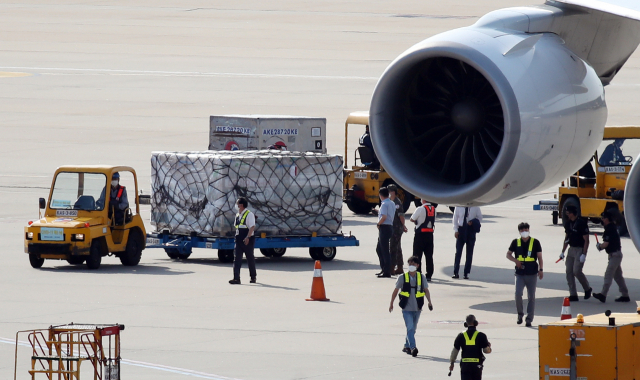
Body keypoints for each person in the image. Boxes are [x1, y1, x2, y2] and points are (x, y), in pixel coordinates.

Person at [388, 256, 433, 357]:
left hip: (417, 308)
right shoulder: (402, 277)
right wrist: (391, 303)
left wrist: (429, 302)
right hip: (406, 308)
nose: (411, 266)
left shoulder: (421, 277)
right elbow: (395, 291)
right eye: (410, 264)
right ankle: (413, 347)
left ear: (418, 265)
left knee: (413, 329)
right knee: (410, 328)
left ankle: (406, 345)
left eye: (414, 264)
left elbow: (426, 290)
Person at [506, 222, 543, 326]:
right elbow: (508, 254)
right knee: (518, 294)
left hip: (532, 273)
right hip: (520, 273)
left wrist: (541, 269)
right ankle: (520, 314)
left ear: (529, 230)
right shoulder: (515, 242)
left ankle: (529, 319)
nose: (524, 232)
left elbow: (540, 257)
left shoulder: (535, 242)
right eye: (522, 230)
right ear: (519, 231)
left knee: (531, 297)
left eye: (526, 230)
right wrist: (515, 261)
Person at [593, 211, 630, 303]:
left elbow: (606, 244)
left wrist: (599, 246)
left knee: (608, 274)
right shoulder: (612, 227)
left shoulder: (610, 229)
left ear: (607, 219)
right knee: (618, 277)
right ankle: (625, 295)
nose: (602, 220)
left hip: (615, 255)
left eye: (603, 218)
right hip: (615, 254)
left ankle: (603, 294)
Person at [559, 205, 592, 301]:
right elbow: (566, 238)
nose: (567, 215)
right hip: (571, 249)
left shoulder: (581, 223)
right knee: (569, 271)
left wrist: (584, 254)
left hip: (579, 250)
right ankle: (573, 294)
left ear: (572, 213)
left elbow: (586, 240)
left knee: (577, 271)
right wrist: (562, 252)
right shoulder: (568, 224)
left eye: (568, 213)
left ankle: (587, 288)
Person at [449, 315, 492, 380]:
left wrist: (452, 363)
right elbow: (486, 350)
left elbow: (455, 351)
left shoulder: (461, 335)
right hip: (476, 366)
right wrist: (489, 347)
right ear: (475, 323)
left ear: (466, 324)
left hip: (465, 365)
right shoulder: (481, 335)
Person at [229, 197, 257, 285]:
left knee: (250, 258)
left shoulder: (249, 214)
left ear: (241, 205)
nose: (236, 206)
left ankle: (253, 276)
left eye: (237, 204)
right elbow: (236, 226)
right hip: (238, 239)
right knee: (237, 259)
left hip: (247, 239)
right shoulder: (237, 215)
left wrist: (248, 237)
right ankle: (236, 278)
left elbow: (252, 226)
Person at [452, 206, 482, 279]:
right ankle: (456, 272)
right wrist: (456, 230)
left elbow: (480, 217)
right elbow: (455, 218)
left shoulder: (476, 206)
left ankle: (466, 273)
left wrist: (473, 222)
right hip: (461, 229)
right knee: (458, 252)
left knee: (469, 253)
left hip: (470, 231)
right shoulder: (459, 206)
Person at [410, 199, 436, 281]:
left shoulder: (420, 209)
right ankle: (429, 274)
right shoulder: (434, 209)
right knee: (429, 256)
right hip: (430, 235)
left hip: (420, 235)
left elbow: (412, 219)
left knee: (417, 255)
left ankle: (418, 273)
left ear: (423, 200)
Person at [388, 184, 408, 275]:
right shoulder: (390, 201)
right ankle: (400, 267)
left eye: (390, 191)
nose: (389, 193)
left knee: (393, 248)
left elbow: (401, 215)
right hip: (393, 227)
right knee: (398, 248)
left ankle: (392, 267)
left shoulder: (397, 202)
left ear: (394, 192)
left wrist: (403, 225)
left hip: (396, 228)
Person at [375, 187, 395, 278]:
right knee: (379, 249)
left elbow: (384, 216)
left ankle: (386, 271)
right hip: (390, 226)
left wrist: (378, 223)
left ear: (380, 195)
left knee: (384, 250)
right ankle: (384, 269)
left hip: (384, 227)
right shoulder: (392, 203)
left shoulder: (384, 204)